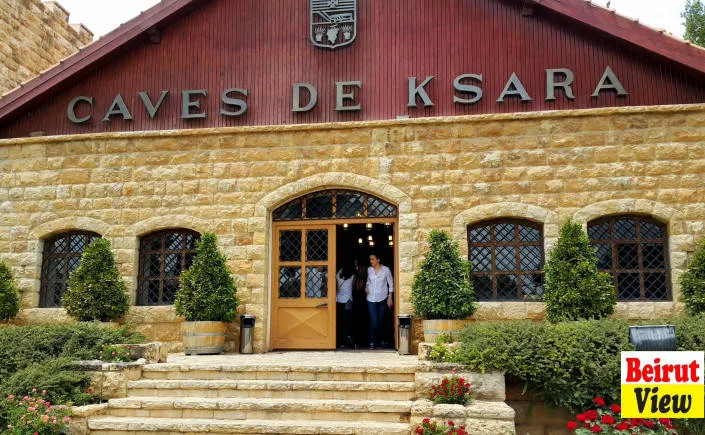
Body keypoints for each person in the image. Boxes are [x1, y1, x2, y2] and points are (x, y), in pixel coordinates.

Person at [366, 252, 393, 350]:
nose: (371, 261)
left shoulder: (386, 270)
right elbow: (368, 281)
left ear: (378, 260)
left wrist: (390, 297)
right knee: (374, 321)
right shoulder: (369, 270)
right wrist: (366, 287)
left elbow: (391, 284)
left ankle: (383, 342)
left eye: (372, 259)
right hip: (370, 299)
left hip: (382, 299)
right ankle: (372, 342)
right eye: (370, 259)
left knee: (381, 321)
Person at [335, 262, 355, 349]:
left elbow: (337, 274)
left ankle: (339, 341)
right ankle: (346, 340)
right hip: (348, 301)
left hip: (339, 300)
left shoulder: (338, 276)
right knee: (347, 322)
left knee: (339, 321)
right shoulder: (352, 276)